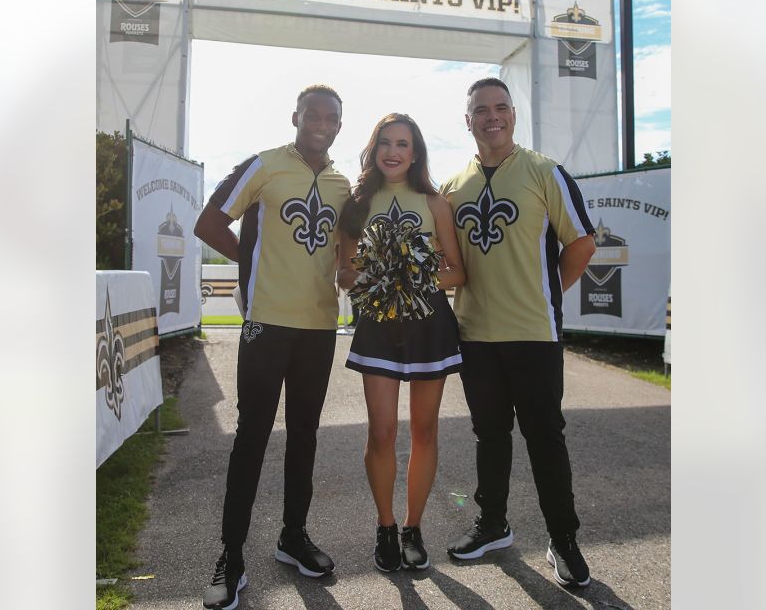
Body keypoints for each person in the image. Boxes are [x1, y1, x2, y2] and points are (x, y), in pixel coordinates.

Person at [194, 84, 352, 610]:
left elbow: (345, 252)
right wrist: (251, 265)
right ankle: (231, 556)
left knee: (304, 434)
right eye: (312, 115)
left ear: (338, 125)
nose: (320, 124)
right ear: (296, 117)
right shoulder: (261, 165)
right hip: (265, 323)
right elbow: (208, 222)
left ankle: (293, 536)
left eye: (330, 117)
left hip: (319, 327)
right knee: (253, 436)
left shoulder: (341, 183)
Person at [439, 78, 598, 589]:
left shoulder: (544, 171)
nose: (492, 117)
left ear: (513, 115)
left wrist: (548, 294)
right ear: (468, 121)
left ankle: (563, 539)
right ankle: (492, 524)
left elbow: (581, 243)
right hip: (475, 333)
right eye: (481, 110)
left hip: (533, 332)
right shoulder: (452, 185)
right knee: (490, 436)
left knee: (545, 438)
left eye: (501, 108)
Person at [335, 113, 466, 573]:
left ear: (416, 153)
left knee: (425, 431)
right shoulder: (356, 204)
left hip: (428, 323)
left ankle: (414, 527)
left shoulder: (435, 203)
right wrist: (376, 277)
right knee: (382, 431)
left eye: (403, 144)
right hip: (377, 324)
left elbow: (457, 270)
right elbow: (344, 272)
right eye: (385, 143)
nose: (393, 151)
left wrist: (413, 275)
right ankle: (385, 525)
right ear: (373, 150)